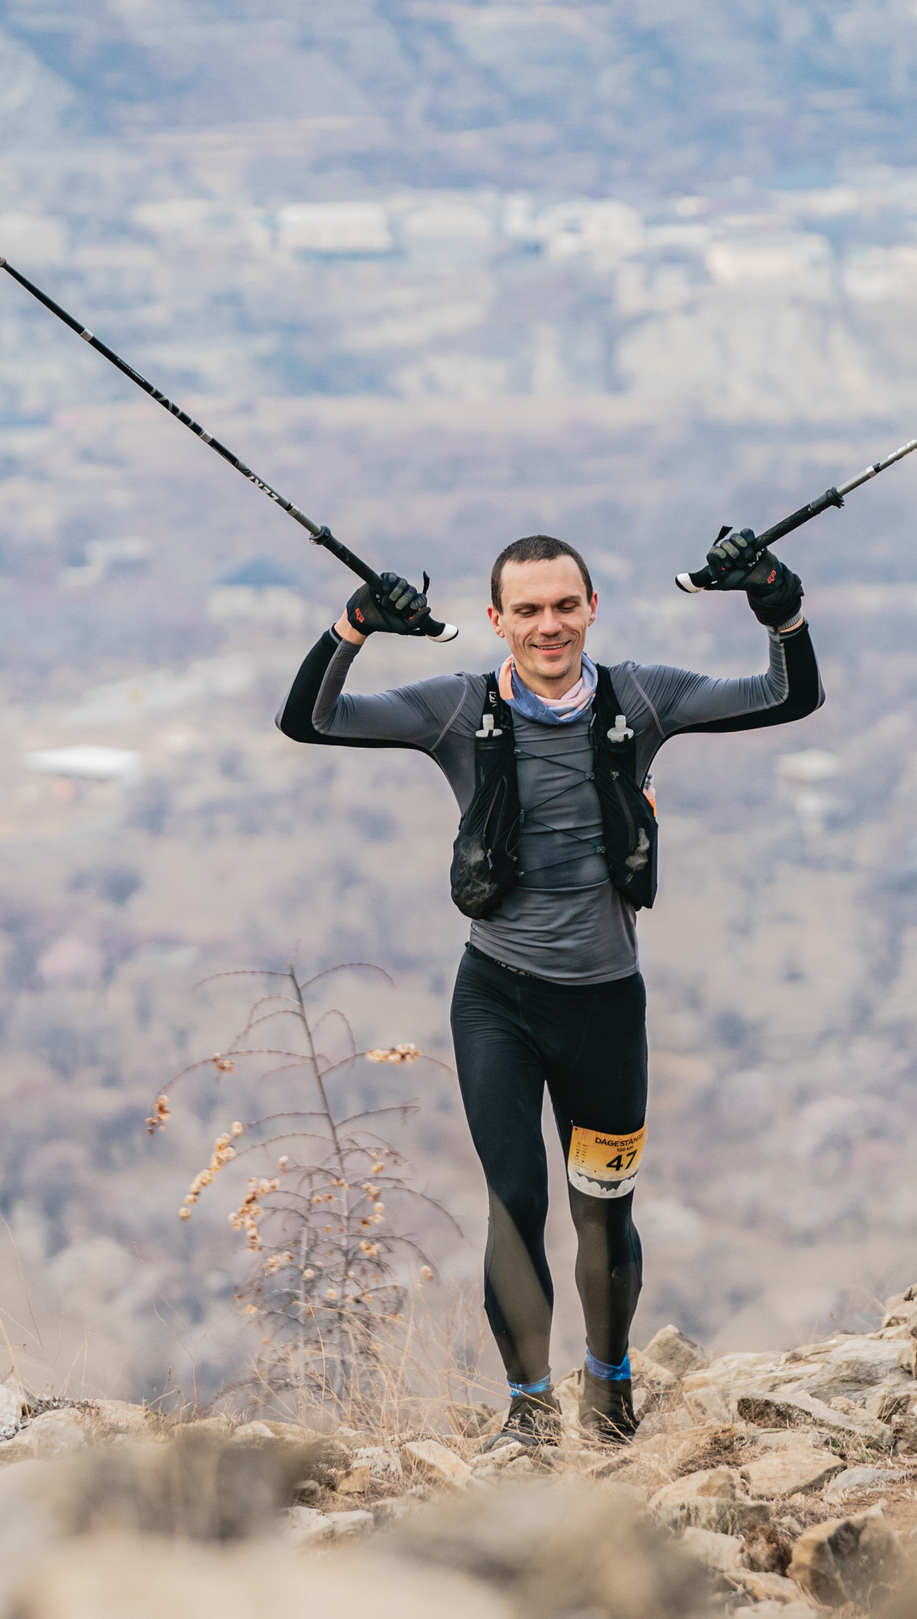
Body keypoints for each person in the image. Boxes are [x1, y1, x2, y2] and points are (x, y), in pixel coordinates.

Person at [276, 530, 823, 1445]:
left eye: (565, 605)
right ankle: (529, 1413)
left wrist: (779, 605)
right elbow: (311, 718)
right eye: (526, 609)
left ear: (592, 608)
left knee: (603, 1216)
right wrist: (354, 625)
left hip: (607, 1005)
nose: (548, 624)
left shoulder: (639, 698)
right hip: (497, 998)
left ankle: (609, 1399)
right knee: (516, 1202)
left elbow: (788, 693)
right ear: (496, 620)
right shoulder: (457, 709)